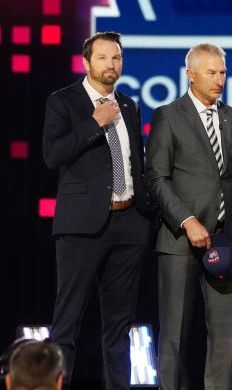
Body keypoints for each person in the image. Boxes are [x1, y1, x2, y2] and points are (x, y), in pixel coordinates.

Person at [42, 31, 153, 390]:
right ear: (86, 62)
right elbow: (52, 155)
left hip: (129, 223)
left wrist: (144, 213)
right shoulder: (63, 102)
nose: (111, 64)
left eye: (117, 57)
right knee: (67, 323)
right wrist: (95, 122)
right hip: (81, 227)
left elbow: (138, 162)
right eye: (103, 57)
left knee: (119, 326)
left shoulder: (131, 106)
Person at [146, 43, 232, 390]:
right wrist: (186, 220)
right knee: (175, 332)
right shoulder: (168, 115)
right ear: (190, 75)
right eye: (211, 72)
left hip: (226, 241)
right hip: (179, 240)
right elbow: (157, 178)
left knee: (224, 336)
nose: (219, 79)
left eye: (222, 72)